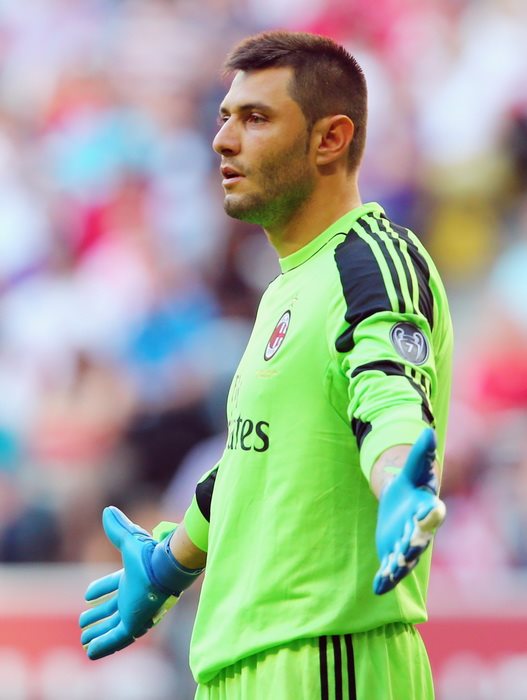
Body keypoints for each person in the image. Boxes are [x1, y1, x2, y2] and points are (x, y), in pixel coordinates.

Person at [80, 31, 452, 700]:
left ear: (329, 139)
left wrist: (400, 481)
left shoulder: (371, 259)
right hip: (240, 669)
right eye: (225, 117)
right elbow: (255, 458)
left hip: (328, 662)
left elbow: (390, 392)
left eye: (254, 118)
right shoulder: (288, 286)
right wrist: (169, 563)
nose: (223, 140)